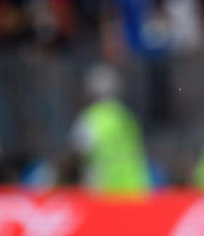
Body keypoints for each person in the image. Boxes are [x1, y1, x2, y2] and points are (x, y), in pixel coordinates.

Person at [63, 65, 151, 196]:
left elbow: (76, 152)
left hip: (104, 190)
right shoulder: (126, 116)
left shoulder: (91, 118)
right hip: (135, 188)